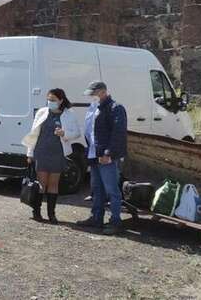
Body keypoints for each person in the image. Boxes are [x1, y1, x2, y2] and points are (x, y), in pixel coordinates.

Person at [22, 88, 83, 224]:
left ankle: (51, 214)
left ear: (61, 100)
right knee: (41, 184)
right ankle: (36, 212)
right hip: (41, 152)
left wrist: (64, 133)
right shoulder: (42, 112)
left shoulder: (69, 114)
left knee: (53, 184)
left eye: (53, 100)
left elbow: (77, 133)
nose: (50, 102)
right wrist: (30, 153)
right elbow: (33, 133)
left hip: (58, 152)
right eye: (48, 99)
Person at [76, 81, 128, 235]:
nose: (91, 96)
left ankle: (116, 221)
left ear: (103, 91)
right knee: (97, 188)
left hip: (105, 155)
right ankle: (96, 218)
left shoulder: (116, 108)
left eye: (94, 93)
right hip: (94, 153)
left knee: (112, 189)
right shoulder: (94, 107)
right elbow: (90, 131)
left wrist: (108, 153)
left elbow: (118, 133)